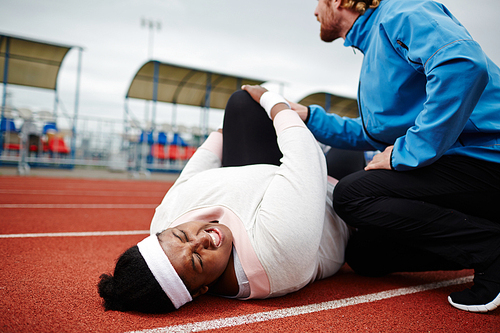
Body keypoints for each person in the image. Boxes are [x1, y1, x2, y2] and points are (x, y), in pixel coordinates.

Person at [287, 0, 500, 312]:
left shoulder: (401, 13)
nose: (315, 11)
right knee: (366, 254)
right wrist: (308, 116)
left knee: (352, 196)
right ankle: (479, 238)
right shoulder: (374, 39)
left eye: (317, 2)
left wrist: (408, 152)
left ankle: (491, 250)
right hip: (463, 166)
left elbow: (463, 64)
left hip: (487, 158)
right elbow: (375, 133)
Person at [97, 87, 353, 313]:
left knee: (241, 104)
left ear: (164, 232)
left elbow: (192, 174)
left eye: (182, 236)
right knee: (347, 152)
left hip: (267, 178)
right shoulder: (275, 253)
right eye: (197, 261)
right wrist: (275, 103)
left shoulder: (163, 223)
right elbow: (307, 157)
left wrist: (225, 131)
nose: (203, 239)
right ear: (201, 290)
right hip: (333, 197)